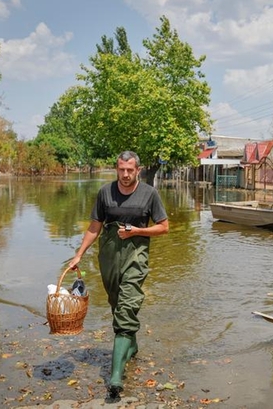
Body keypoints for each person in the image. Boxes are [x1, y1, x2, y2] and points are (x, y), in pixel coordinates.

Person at [68, 150, 169, 400]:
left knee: (126, 307)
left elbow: (164, 227)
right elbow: (95, 226)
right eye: (121, 169)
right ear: (117, 169)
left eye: (130, 170)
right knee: (116, 304)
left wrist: (136, 231)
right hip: (109, 257)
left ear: (138, 170)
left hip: (136, 257)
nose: (125, 174)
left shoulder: (149, 194)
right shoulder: (105, 193)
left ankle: (116, 378)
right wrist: (79, 254)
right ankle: (131, 344)